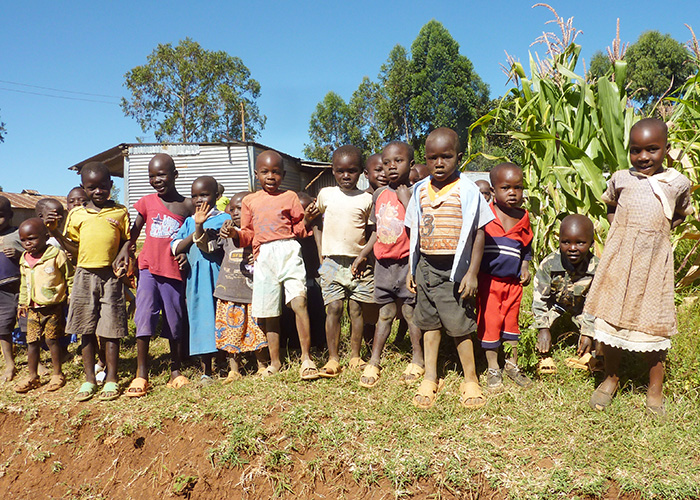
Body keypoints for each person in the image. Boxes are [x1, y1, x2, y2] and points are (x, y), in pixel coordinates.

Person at [584, 118, 693, 415]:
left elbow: (682, 212)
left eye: (652, 149)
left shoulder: (677, 183)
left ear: (667, 150)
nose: (643, 157)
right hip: (620, 260)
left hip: (654, 263)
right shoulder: (621, 178)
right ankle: (611, 377)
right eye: (636, 150)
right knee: (613, 319)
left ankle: (654, 388)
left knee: (654, 325)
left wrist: (659, 233)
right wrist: (621, 231)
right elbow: (609, 205)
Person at [406, 128, 494, 409]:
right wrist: (412, 268)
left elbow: (479, 232)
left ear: (459, 156)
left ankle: (470, 379)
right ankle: (431, 376)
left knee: (459, 326)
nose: (439, 163)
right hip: (427, 267)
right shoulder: (419, 190)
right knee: (429, 324)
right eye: (432, 158)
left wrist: (471, 273)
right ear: (426, 159)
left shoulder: (467, 190)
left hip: (454, 271)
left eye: (446, 156)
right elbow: (414, 231)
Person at [231, 150, 319, 380]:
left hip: (289, 251)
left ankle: (306, 358)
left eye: (276, 172)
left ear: (284, 174)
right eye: (265, 172)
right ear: (256, 174)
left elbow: (299, 229)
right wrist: (234, 234)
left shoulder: (289, 197)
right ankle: (275, 362)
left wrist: (308, 218)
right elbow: (248, 234)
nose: (271, 176)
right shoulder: (250, 201)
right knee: (270, 311)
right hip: (265, 256)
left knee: (299, 302)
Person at [47, 161, 130, 401]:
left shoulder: (120, 211)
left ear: (111, 185)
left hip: (111, 276)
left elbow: (126, 239)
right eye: (92, 188)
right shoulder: (76, 214)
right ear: (83, 188)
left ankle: (112, 379)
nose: (98, 192)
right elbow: (74, 247)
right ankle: (89, 380)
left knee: (111, 329)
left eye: (103, 187)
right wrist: (55, 233)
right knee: (85, 328)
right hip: (84, 275)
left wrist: (125, 252)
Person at [116, 153, 194, 396]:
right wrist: (124, 252)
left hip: (173, 271)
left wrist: (187, 253)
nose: (157, 180)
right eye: (152, 176)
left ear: (174, 175)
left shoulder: (188, 205)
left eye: (161, 174)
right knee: (144, 317)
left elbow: (193, 234)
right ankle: (141, 374)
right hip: (148, 268)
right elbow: (134, 232)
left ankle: (175, 370)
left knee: (174, 318)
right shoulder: (147, 202)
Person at [356, 141, 424, 388]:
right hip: (383, 265)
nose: (391, 167)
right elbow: (376, 230)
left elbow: (422, 226)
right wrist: (364, 253)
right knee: (385, 312)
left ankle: (418, 359)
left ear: (411, 164)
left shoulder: (418, 192)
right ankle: (374, 360)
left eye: (399, 161)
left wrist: (406, 201)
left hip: (407, 264)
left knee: (409, 312)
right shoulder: (379, 194)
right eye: (386, 163)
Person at [314, 145, 375, 378]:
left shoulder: (367, 199)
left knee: (356, 309)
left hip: (357, 263)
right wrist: (320, 250)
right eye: (340, 171)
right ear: (333, 170)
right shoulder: (326, 195)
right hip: (331, 261)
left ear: (361, 172)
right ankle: (333, 358)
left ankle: (355, 356)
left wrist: (363, 255)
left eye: (352, 171)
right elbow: (315, 222)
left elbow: (373, 232)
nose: (346, 176)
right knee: (335, 307)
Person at [477, 163, 533, 390]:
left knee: (512, 323)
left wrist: (525, 266)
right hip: (488, 282)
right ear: (493, 190)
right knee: (490, 323)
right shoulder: (485, 214)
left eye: (518, 188)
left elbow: (527, 245)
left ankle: (512, 365)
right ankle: (493, 368)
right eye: (505, 187)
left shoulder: (523, 217)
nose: (512, 193)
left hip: (513, 284)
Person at [172, 176, 228, 384]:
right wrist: (187, 246)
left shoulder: (224, 220)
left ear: (216, 196)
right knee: (202, 318)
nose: (198, 200)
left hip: (219, 275)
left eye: (204, 195)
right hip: (196, 278)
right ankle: (207, 370)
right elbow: (176, 246)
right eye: (194, 195)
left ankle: (226, 363)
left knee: (221, 315)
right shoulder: (188, 221)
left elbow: (214, 246)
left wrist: (200, 229)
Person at [532, 214, 598, 373]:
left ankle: (589, 356)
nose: (573, 248)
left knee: (604, 331)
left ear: (591, 243)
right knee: (534, 329)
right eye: (566, 242)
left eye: (580, 243)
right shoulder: (549, 264)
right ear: (559, 241)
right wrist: (543, 328)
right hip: (555, 307)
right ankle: (544, 356)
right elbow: (540, 300)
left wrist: (588, 332)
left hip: (583, 309)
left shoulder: (596, 267)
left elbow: (596, 303)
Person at [15, 218, 73, 393]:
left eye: (32, 238)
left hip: (52, 307)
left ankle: (57, 374)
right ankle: (33, 376)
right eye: (23, 240)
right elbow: (24, 282)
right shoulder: (24, 258)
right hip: (33, 308)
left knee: (51, 340)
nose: (28, 244)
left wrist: (71, 294)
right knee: (32, 342)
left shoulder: (56, 255)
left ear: (46, 236)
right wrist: (22, 303)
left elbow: (69, 276)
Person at [215, 191, 268, 380]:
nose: (237, 212)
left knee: (258, 329)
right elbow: (209, 246)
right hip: (230, 291)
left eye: (243, 208)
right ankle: (234, 370)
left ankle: (262, 365)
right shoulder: (225, 233)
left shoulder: (260, 232)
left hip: (254, 292)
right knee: (232, 332)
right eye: (234, 208)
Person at [0, 196, 24, 382]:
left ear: (10, 215)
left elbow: (34, 253)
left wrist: (19, 254)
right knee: (3, 327)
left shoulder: (19, 234)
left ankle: (36, 360)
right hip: (2, 291)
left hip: (22, 285)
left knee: (28, 325)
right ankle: (10, 363)